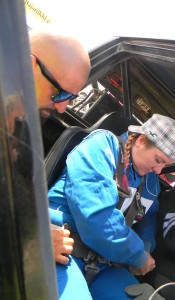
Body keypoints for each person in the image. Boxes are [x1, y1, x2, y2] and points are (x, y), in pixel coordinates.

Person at [48, 113, 175, 299]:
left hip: (106, 263)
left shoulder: (151, 184)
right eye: (158, 160)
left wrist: (145, 247)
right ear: (140, 140)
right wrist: (138, 255)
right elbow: (97, 221)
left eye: (165, 165)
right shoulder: (103, 147)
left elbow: (148, 218)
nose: (159, 170)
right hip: (62, 246)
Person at [8, 26, 91, 264]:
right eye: (58, 93)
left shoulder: (20, 125)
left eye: (70, 98)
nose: (62, 108)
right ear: (28, 64)